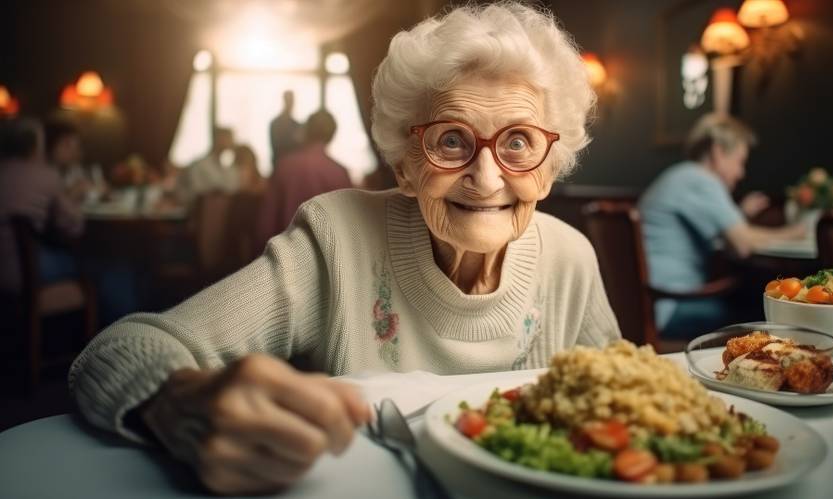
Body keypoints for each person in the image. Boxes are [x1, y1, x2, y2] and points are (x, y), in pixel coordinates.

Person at [69, 3, 621, 495]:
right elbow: (119, 348)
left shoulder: (569, 258)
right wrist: (177, 402)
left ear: (549, 168)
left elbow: (626, 401)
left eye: (518, 142)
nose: (486, 176)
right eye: (451, 139)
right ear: (406, 162)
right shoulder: (337, 239)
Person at [639, 113, 806, 338]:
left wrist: (740, 215)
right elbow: (742, 244)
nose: (741, 173)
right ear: (718, 152)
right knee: (768, 315)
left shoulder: (680, 176)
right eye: (739, 161)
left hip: (651, 304)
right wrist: (796, 232)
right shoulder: (700, 180)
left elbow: (729, 235)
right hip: (670, 307)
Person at [0, 118, 84, 295]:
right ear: (34, 146)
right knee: (100, 265)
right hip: (22, 272)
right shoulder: (45, 175)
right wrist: (73, 198)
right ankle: (120, 320)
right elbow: (74, 225)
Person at [255, 110, 351, 248]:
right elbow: (345, 225)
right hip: (325, 256)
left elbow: (265, 225)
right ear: (332, 135)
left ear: (306, 130)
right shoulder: (339, 173)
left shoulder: (284, 166)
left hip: (284, 254)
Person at [44, 119, 104, 204]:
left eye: (76, 146)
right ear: (49, 146)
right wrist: (73, 193)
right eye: (67, 145)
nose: (74, 151)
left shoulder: (67, 171)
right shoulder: (41, 175)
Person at [178, 127, 239, 201]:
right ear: (218, 139)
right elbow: (196, 192)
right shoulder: (201, 165)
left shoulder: (228, 168)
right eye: (228, 138)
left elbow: (232, 189)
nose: (232, 142)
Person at [269, 90, 303, 169]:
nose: (290, 103)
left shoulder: (296, 125)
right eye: (289, 100)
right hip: (280, 166)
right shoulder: (275, 124)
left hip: (293, 167)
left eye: (291, 100)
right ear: (284, 101)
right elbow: (276, 148)